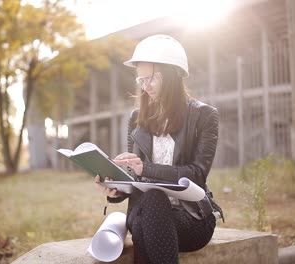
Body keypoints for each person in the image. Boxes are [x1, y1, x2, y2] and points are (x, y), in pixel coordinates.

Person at [95, 35, 223, 264]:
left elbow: (196, 174)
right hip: (145, 212)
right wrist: (117, 189)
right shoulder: (136, 118)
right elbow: (135, 177)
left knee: (151, 208)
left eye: (150, 78)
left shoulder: (204, 116)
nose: (145, 87)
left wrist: (147, 168)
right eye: (140, 80)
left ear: (173, 74)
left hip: (191, 218)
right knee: (152, 202)